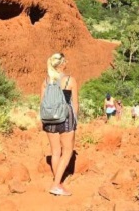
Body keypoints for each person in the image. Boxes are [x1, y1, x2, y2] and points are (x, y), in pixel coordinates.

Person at [41, 52, 78, 196]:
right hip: (65, 117)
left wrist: (44, 120)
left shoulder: (46, 81)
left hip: (49, 118)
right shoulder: (70, 80)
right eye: (65, 61)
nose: (67, 62)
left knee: (55, 152)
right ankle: (56, 185)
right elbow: (75, 104)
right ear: (62, 64)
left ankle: (58, 182)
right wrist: (75, 121)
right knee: (67, 151)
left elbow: (42, 103)